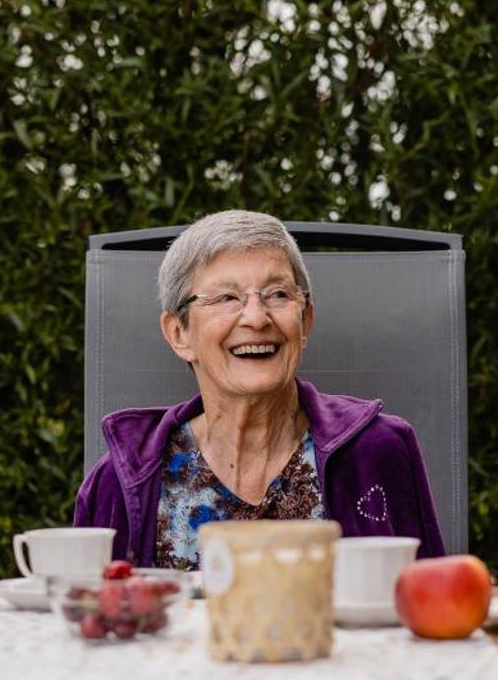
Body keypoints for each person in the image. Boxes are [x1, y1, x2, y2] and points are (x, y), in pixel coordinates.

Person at [74, 210, 445, 567]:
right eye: (226, 298)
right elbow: (82, 606)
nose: (256, 318)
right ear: (179, 334)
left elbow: (431, 598)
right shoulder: (119, 480)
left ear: (305, 322)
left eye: (278, 294)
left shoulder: (379, 451)